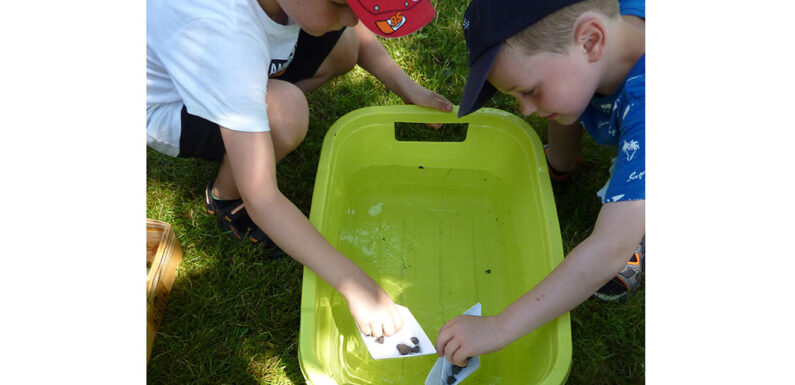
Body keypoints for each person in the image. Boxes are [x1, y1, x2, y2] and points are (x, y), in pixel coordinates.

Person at [146, 0, 453, 339]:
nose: (352, 17)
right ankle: (226, 198)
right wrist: (357, 285)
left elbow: (351, 24)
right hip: (172, 108)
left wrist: (405, 87)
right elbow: (263, 198)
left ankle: (254, 120)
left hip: (229, 65)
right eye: (339, 4)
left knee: (345, 45)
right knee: (286, 112)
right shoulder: (224, 37)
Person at [435, 0, 645, 366]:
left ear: (590, 41)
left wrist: (499, 327)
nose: (525, 109)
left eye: (529, 91)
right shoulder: (602, 40)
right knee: (565, 95)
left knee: (630, 212)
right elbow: (567, 91)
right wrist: (560, 161)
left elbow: (608, 248)